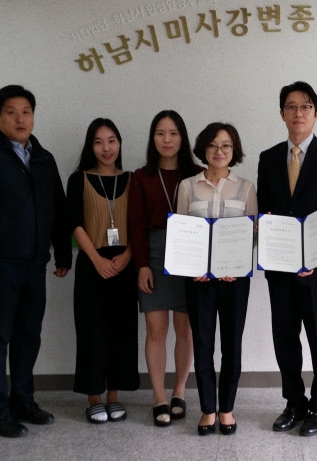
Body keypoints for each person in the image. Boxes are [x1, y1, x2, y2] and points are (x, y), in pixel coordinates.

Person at [0, 85, 72, 438]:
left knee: (28, 337)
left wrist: (63, 253)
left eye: (26, 111)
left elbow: (57, 207)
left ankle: (23, 401)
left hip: (35, 264)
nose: (20, 118)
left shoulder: (44, 158)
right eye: (11, 112)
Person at [257, 81, 317, 437]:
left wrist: (316, 256)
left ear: (316, 113)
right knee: (284, 339)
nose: (298, 113)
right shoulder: (268, 158)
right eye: (291, 106)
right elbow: (265, 210)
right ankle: (294, 403)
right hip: (280, 269)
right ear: (282, 113)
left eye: (306, 106)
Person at [176, 122, 257, 436]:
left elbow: (252, 233)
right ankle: (208, 409)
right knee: (203, 344)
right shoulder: (187, 186)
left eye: (225, 145)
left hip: (234, 280)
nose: (219, 151)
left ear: (234, 150)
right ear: (203, 149)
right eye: (212, 145)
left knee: (232, 346)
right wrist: (192, 266)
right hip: (199, 280)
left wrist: (234, 264)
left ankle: (227, 410)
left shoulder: (246, 187)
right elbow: (181, 232)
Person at [128, 110, 203, 427]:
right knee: (156, 330)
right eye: (160, 133)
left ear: (182, 137)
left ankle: (179, 391)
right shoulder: (141, 176)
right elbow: (135, 225)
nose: (167, 140)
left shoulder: (198, 174)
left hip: (189, 254)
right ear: (153, 138)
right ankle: (159, 396)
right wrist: (142, 265)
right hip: (155, 253)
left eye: (173, 133)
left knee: (185, 329)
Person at [66, 118, 139, 424]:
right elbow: (74, 222)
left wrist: (128, 255)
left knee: (122, 330)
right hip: (91, 263)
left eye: (111, 141)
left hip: (125, 263)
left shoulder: (133, 179)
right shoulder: (78, 179)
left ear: (119, 143)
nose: (106, 148)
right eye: (98, 142)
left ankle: (114, 395)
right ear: (90, 146)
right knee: (91, 330)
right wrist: (96, 259)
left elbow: (138, 224)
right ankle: (94, 396)